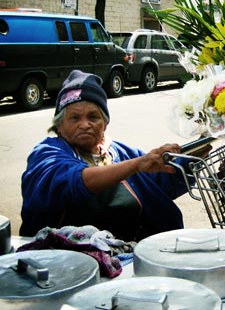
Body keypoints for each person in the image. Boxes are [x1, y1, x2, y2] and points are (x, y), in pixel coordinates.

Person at [20, 70, 196, 242]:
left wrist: (200, 149)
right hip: (70, 259)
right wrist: (136, 165)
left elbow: (163, 181)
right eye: (74, 118)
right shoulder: (47, 153)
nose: (85, 124)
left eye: (93, 117)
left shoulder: (120, 152)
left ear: (104, 124)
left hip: (128, 253)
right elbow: (72, 180)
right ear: (59, 126)